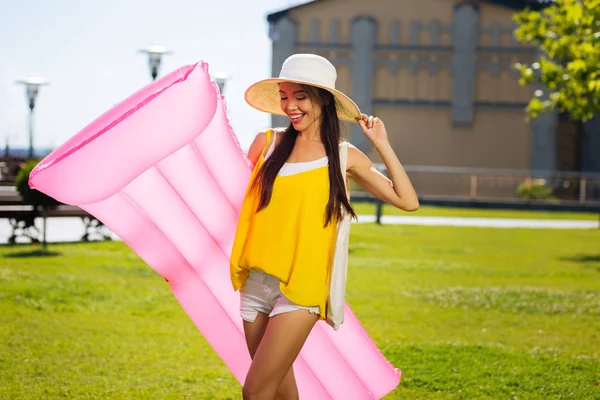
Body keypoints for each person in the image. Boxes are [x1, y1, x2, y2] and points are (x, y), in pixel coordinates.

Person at [229, 53, 419, 400]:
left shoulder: (344, 158)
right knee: (278, 392)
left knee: (255, 392)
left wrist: (381, 144)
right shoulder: (266, 144)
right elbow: (230, 201)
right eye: (285, 96)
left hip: (302, 289)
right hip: (256, 282)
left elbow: (407, 201)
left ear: (323, 99)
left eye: (299, 96)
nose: (290, 106)